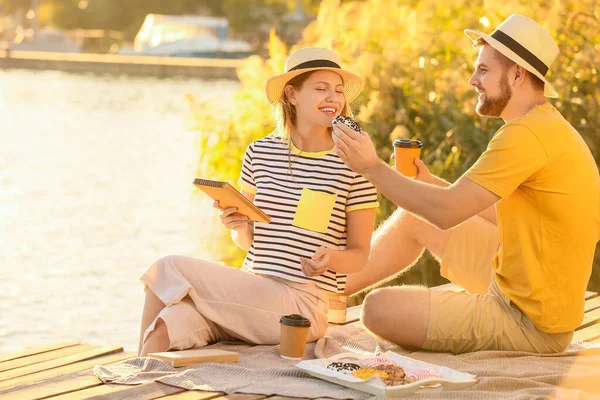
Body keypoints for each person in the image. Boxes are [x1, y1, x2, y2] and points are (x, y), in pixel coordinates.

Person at [332, 14, 600, 354]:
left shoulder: (526, 134)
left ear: (517, 74)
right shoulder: (545, 127)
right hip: (524, 283)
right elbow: (500, 213)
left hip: (529, 321)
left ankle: (322, 292)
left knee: (377, 309)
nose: (473, 80)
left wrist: (370, 166)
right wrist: (433, 183)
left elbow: (446, 213)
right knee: (415, 217)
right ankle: (327, 290)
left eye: (484, 70)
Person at [137, 47, 379, 356]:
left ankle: (130, 372)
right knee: (165, 326)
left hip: (302, 304)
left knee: (166, 268)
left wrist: (331, 259)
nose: (333, 98)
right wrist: (238, 225)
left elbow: (360, 255)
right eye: (321, 89)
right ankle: (134, 377)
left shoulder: (354, 162)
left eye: (338, 91)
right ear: (292, 95)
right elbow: (248, 242)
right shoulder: (259, 153)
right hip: (249, 293)